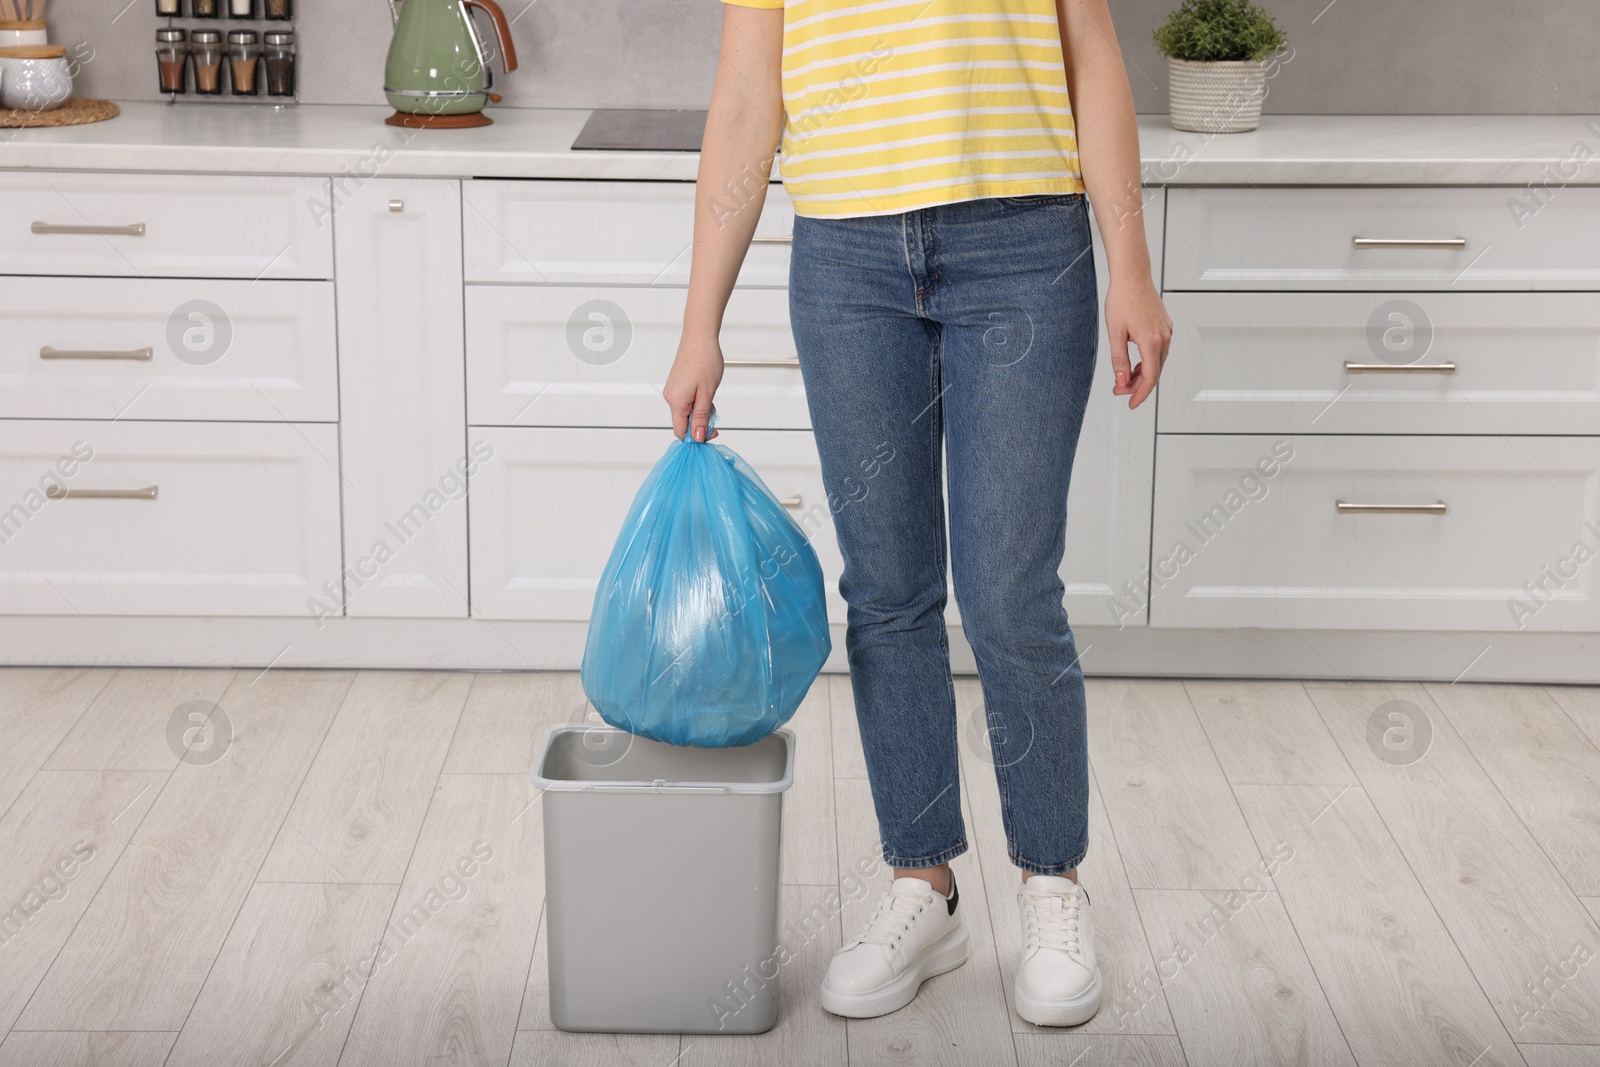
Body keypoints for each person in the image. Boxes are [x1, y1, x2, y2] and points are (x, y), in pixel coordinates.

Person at [664, 0, 1172, 1027]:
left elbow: (1090, 52)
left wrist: (1132, 267)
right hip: (846, 261)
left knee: (1010, 591)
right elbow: (748, 98)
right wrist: (698, 324)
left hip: (1027, 246)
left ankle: (1050, 883)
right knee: (887, 590)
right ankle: (923, 884)